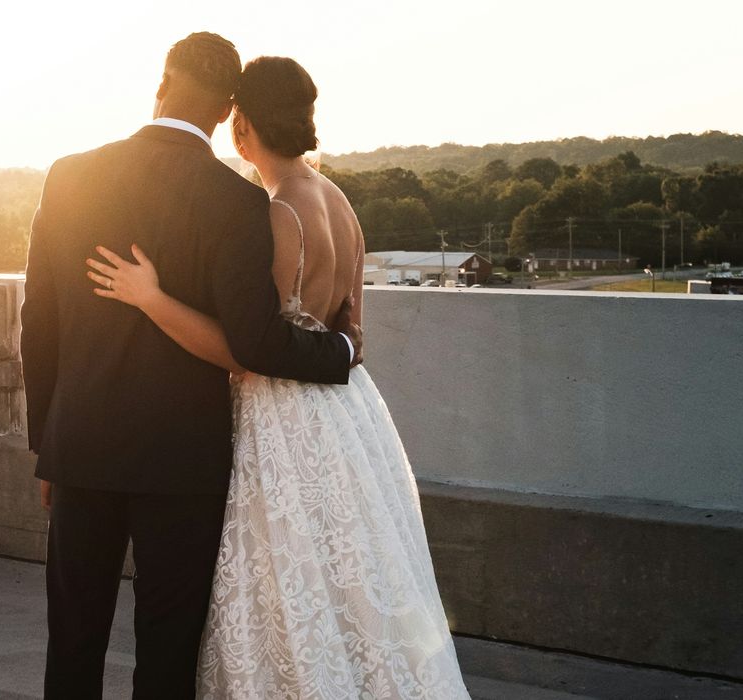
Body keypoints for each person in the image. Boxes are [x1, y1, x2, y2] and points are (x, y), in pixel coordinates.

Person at [87, 56, 471, 698]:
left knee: (282, 573)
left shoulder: (276, 213)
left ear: (241, 128)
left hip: (280, 414)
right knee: (349, 575)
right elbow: (354, 332)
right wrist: (340, 348)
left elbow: (250, 350)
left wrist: (151, 298)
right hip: (347, 415)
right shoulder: (339, 202)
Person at [20, 33, 361, 699]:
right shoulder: (234, 200)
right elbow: (256, 342)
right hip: (182, 461)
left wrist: (46, 445)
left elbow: (39, 323)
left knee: (74, 637)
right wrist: (342, 351)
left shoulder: (69, 174)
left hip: (80, 447)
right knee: (169, 645)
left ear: (161, 82)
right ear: (226, 108)